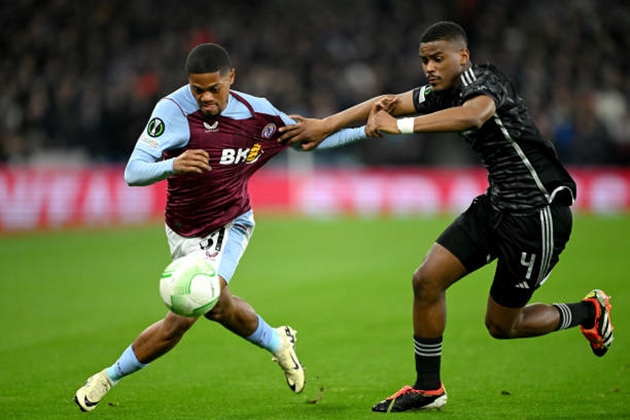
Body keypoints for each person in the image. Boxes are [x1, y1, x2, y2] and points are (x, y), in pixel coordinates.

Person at [278, 21, 615, 413]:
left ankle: (589, 312)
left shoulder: (484, 81)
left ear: (463, 56)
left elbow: (473, 116)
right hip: (497, 204)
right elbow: (388, 102)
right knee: (426, 280)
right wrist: (326, 125)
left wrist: (399, 127)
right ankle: (428, 388)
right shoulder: (441, 93)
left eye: (438, 59)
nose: (430, 68)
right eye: (425, 60)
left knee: (502, 326)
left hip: (537, 214)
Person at [73, 43, 365, 412]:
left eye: (214, 88)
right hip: (181, 226)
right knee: (218, 307)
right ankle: (278, 342)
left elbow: (309, 141)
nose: (206, 98)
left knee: (184, 313)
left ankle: (107, 377)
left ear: (231, 78)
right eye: (198, 90)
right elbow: (134, 172)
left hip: (230, 221)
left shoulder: (258, 113)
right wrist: (173, 164)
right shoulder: (172, 111)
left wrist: (365, 132)